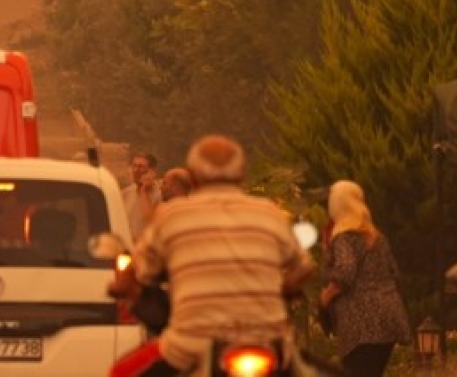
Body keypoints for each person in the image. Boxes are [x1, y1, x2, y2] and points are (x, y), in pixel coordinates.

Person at [108, 135, 315, 376]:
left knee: (120, 372)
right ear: (241, 174)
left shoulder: (171, 216)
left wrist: (123, 284)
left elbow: (140, 271)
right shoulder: (269, 214)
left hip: (190, 348)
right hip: (269, 345)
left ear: (194, 177)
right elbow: (304, 268)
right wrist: (284, 290)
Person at [318, 180, 411, 377]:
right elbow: (393, 271)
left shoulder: (345, 237)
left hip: (361, 325)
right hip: (388, 319)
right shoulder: (376, 236)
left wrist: (326, 295)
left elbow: (345, 274)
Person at [121, 151, 161, 240]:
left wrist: (144, 192)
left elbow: (153, 223)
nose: (135, 170)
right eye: (134, 166)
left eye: (140, 167)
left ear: (151, 171)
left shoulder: (159, 195)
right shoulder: (126, 193)